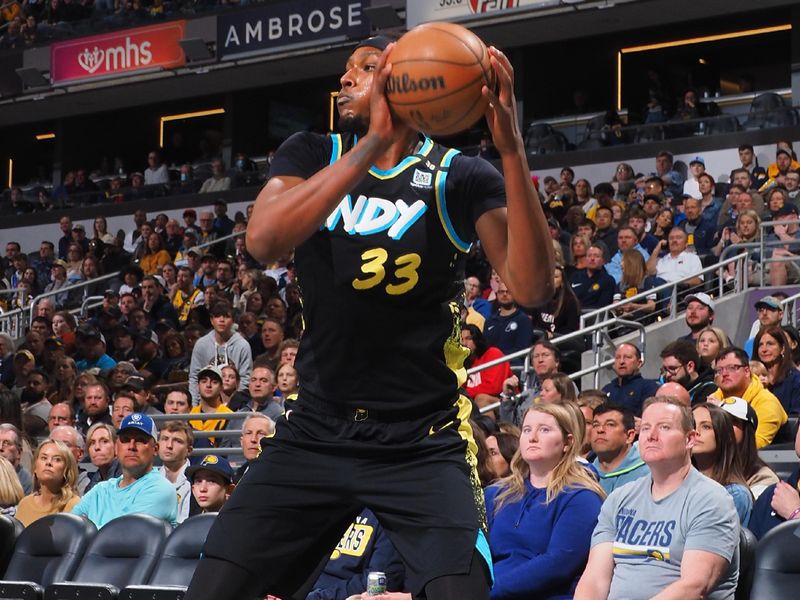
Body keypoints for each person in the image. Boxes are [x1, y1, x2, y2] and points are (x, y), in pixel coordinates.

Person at [185, 36, 555, 600]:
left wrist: (511, 151)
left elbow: (532, 288)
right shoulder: (313, 152)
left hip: (422, 436)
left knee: (462, 591)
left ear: (413, 81)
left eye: (365, 68)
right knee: (213, 589)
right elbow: (261, 241)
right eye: (345, 71)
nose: (345, 79)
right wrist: (377, 141)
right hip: (315, 426)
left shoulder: (461, 174)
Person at [574, 397, 740, 600]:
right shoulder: (619, 498)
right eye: (645, 428)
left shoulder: (711, 500)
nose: (651, 436)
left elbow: (694, 586)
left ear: (690, 439)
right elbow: (594, 579)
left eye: (664, 427)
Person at [484, 404, 605, 599]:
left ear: (568, 442)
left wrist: (488, 592)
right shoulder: (496, 494)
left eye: (544, 430)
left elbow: (558, 564)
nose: (532, 437)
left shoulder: (582, 498)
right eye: (527, 429)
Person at [72, 413, 178, 528]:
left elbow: (125, 534)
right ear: (117, 448)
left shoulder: (161, 489)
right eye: (125, 439)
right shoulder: (100, 490)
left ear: (155, 449)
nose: (131, 446)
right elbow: (71, 528)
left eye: (140, 440)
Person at [710, 347, 788, 448]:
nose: (724, 374)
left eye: (732, 368)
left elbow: (756, 445)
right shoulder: (714, 399)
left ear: (747, 371)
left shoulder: (767, 402)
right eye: (719, 370)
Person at [691, 403, 753, 525]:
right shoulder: (681, 486)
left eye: (706, 427)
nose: (695, 432)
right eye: (692, 426)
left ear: (724, 435)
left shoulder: (735, 494)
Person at [713, 396, 778, 501]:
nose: (726, 426)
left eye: (733, 421)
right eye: (722, 420)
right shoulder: (705, 468)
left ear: (747, 431)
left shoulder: (763, 477)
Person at [188, 300, 253, 405]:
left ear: (232, 321)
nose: (221, 320)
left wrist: (235, 405)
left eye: (226, 316)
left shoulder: (242, 345)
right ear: (211, 320)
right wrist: (194, 405)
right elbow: (195, 377)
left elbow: (245, 379)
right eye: (218, 316)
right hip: (205, 404)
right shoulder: (201, 344)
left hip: (235, 406)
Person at [15, 439, 80, 527]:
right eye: (44, 458)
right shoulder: (24, 504)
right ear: (35, 467)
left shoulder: (74, 505)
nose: (48, 463)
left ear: (67, 470)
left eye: (57, 459)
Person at [590, 403, 650, 494]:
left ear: (630, 436)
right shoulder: (584, 474)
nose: (600, 429)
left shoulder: (648, 475)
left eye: (610, 424)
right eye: (596, 425)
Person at [462, 324, 512, 413]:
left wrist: (465, 394)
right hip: (473, 403)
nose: (464, 344)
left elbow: (493, 388)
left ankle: (486, 427)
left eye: (468, 338)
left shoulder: (493, 354)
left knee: (481, 399)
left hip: (504, 401)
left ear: (477, 339)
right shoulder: (462, 363)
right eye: (461, 340)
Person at [601, 343, 659, 416]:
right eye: (618, 357)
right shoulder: (606, 389)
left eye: (627, 357)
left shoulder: (648, 387)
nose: (621, 361)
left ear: (639, 363)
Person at [753, 326, 800, 414]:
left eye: (770, 344)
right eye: (760, 345)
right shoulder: (751, 378)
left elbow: (796, 417)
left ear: (782, 348)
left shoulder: (795, 379)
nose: (764, 349)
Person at [659, 340, 718, 405]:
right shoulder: (663, 386)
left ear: (690, 366)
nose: (667, 374)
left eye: (672, 369)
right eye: (665, 369)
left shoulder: (709, 391)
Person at [157, 421, 194, 523]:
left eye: (177, 441)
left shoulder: (196, 482)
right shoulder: (149, 480)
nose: (169, 445)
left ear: (189, 450)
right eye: (165, 439)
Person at [235, 413, 275, 483]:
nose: (253, 439)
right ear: (241, 441)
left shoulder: (279, 475)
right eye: (248, 433)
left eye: (261, 433)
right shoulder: (239, 474)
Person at [84, 422, 122, 493]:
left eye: (104, 441)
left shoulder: (125, 478)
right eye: (92, 443)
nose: (97, 447)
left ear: (116, 446)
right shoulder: (92, 485)